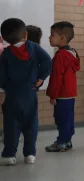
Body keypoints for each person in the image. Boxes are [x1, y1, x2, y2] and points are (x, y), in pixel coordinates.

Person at [0, 18, 52, 165]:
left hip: (12, 94)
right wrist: (41, 78)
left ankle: (9, 154)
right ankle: (29, 153)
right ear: (25, 35)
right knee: (31, 124)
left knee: (11, 125)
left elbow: (1, 75)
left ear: (4, 38)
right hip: (30, 93)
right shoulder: (34, 48)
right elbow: (48, 61)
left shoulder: (6, 53)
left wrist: (6, 86)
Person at [45, 22, 80, 152]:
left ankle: (62, 142)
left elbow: (56, 77)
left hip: (62, 94)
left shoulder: (60, 56)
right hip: (70, 93)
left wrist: (53, 95)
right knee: (68, 118)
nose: (49, 37)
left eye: (52, 35)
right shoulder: (72, 52)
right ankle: (68, 140)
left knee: (61, 119)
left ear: (62, 38)